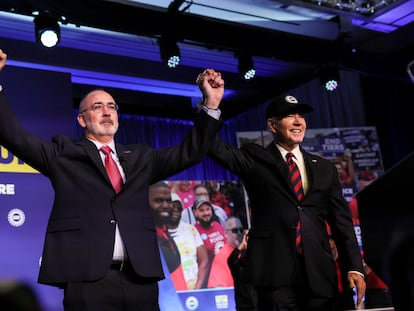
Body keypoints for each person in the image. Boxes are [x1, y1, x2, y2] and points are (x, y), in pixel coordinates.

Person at [0, 48, 224, 311]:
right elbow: (13, 135)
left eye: (111, 107)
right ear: (82, 119)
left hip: (139, 279)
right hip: (88, 280)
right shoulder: (64, 154)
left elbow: (191, 151)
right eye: (97, 107)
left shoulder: (141, 157)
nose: (107, 112)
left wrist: (211, 104)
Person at [200, 91, 366, 311]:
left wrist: (354, 267)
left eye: (301, 116)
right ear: (272, 125)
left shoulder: (325, 168)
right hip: (274, 277)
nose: (298, 121)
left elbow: (342, 222)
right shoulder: (254, 159)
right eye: (289, 116)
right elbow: (212, 146)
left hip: (319, 275)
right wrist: (211, 104)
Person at [148, 181, 188, 291]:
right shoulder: (145, 239)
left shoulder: (165, 230)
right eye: (158, 201)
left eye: (168, 201)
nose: (165, 205)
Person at [169, 192, 209, 290]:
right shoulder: (160, 233)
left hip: (193, 285)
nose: (176, 211)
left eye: (179, 208)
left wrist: (197, 288)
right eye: (173, 207)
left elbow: (204, 260)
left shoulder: (190, 230)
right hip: (171, 289)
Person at [207, 216, 245, 288]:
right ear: (226, 233)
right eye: (235, 230)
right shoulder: (222, 256)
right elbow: (218, 289)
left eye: (241, 230)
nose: (239, 233)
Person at [228, 229, 257, 311]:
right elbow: (231, 260)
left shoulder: (260, 261)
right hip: (244, 306)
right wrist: (242, 245)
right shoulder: (239, 264)